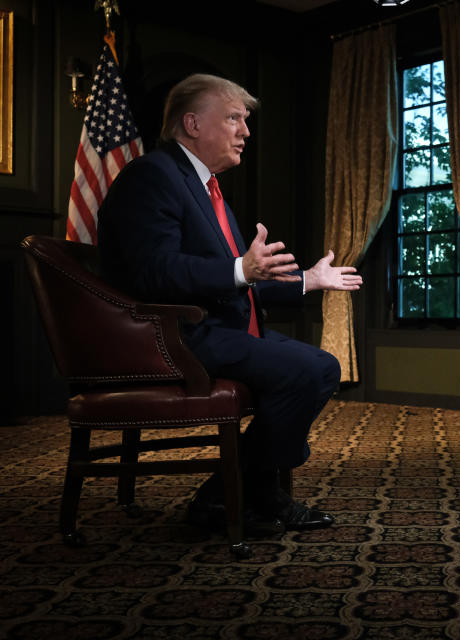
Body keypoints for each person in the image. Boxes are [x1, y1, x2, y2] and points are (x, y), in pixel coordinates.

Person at [98, 74, 362, 535]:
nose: (246, 131)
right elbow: (152, 271)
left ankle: (236, 495)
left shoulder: (206, 187)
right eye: (234, 118)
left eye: (246, 121)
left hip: (212, 329)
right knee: (314, 369)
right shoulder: (152, 175)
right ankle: (242, 495)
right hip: (170, 337)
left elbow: (242, 279)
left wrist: (309, 281)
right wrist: (241, 269)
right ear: (193, 123)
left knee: (312, 368)